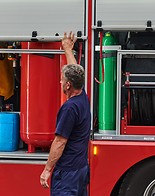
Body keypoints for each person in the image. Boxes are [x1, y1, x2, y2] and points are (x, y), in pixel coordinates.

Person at [40, 31, 91, 196]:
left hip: (67, 173)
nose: (60, 82)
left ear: (68, 85)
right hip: (81, 169)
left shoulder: (70, 108)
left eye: (62, 80)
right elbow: (75, 71)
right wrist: (68, 49)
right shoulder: (83, 97)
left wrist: (47, 170)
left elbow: (60, 142)